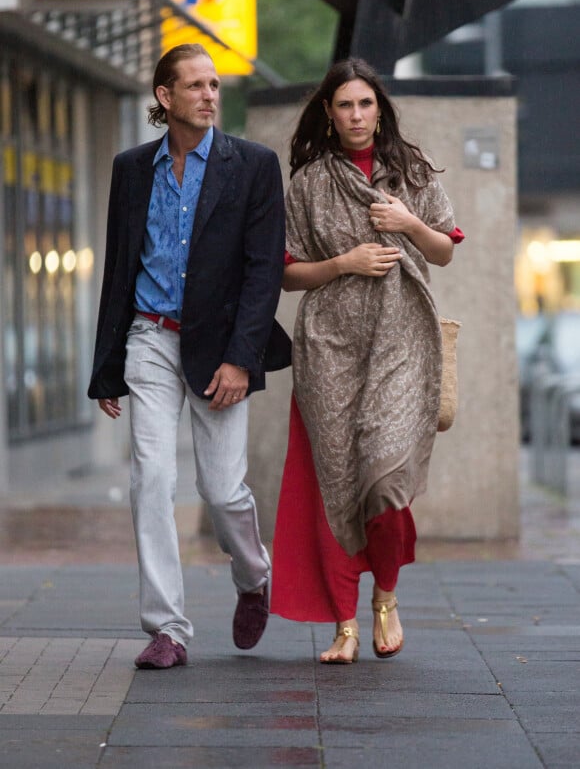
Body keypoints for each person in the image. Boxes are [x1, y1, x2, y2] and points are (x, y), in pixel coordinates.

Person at [88, 43, 291, 669]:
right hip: (150, 336)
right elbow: (119, 269)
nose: (209, 95)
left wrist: (241, 357)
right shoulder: (131, 169)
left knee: (222, 489)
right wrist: (107, 370)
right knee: (151, 477)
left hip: (221, 345)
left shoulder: (253, 165)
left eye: (214, 85)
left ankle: (254, 577)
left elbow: (263, 272)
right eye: (195, 85)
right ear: (165, 97)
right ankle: (167, 629)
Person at [270, 57, 464, 663]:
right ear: (327, 113)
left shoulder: (413, 169)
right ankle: (344, 625)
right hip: (329, 346)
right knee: (335, 482)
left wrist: (407, 222)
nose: (356, 116)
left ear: (380, 109)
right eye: (344, 105)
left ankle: (385, 595)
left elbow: (444, 252)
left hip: (401, 339)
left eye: (366, 104)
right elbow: (288, 275)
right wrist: (342, 264)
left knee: (383, 482)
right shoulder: (307, 183)